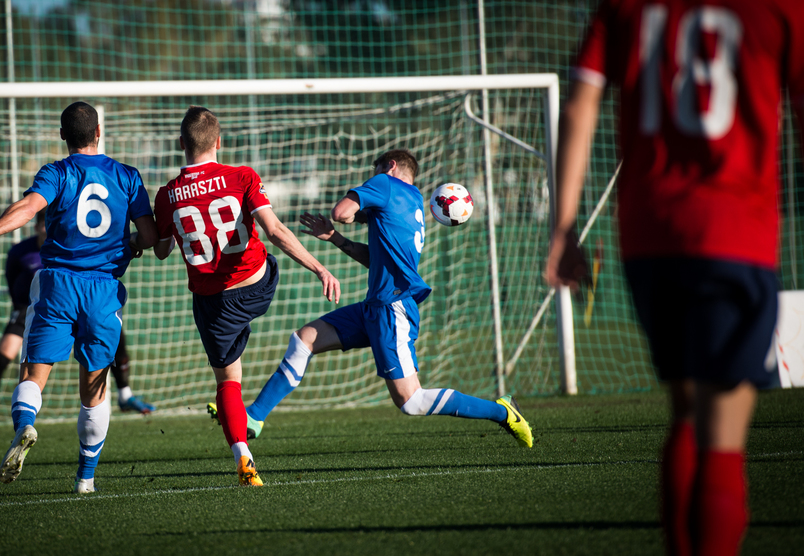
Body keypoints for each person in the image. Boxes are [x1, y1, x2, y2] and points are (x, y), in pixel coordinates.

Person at [545, 2, 804, 554]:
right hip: (737, 230)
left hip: (650, 237)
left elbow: (581, 102)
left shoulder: (623, 7)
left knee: (686, 410)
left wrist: (564, 227)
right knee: (722, 430)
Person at [232, 149, 533, 449]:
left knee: (411, 400)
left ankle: (502, 411)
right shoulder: (413, 201)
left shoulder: (385, 183)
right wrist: (337, 237)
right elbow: (375, 259)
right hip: (375, 308)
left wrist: (350, 215)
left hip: (392, 308)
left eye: (374, 171)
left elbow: (341, 212)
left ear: (390, 166)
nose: (371, 179)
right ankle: (254, 417)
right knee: (305, 339)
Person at [0, 101, 158, 494]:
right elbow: (149, 238)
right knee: (94, 391)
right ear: (98, 132)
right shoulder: (128, 176)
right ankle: (85, 479)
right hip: (102, 289)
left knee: (33, 375)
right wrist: (131, 243)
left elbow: (29, 208)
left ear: (63, 136)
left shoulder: (55, 173)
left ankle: (26, 424)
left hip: (57, 286)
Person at [152, 106, 340, 486]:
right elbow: (275, 231)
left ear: (181, 143)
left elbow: (160, 250)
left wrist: (144, 236)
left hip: (213, 303)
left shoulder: (167, 194)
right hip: (257, 286)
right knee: (264, 257)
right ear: (219, 142)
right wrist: (319, 268)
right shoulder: (242, 177)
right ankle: (248, 442)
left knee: (228, 382)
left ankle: (243, 455)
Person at [0, 210, 156, 432]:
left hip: (69, 303)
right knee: (5, 355)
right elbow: (12, 280)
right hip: (29, 309)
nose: (47, 228)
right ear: (37, 226)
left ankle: (125, 395)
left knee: (113, 333)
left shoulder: (70, 246)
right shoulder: (20, 251)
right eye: (44, 225)